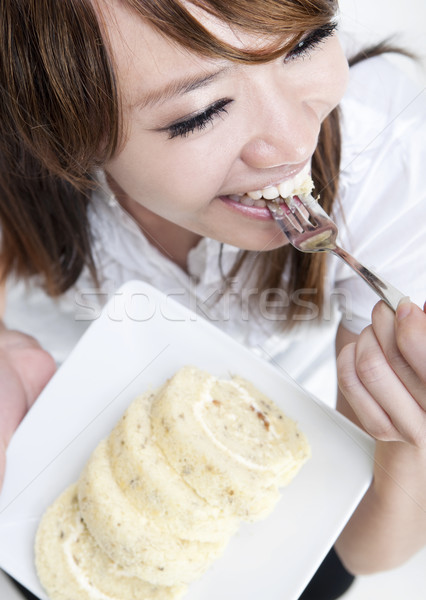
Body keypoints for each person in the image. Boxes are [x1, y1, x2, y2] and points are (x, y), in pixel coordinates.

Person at [1, 1, 425, 599]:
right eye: (201, 113)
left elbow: (366, 551)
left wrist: (410, 445)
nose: (292, 143)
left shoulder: (387, 155)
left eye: (304, 43)